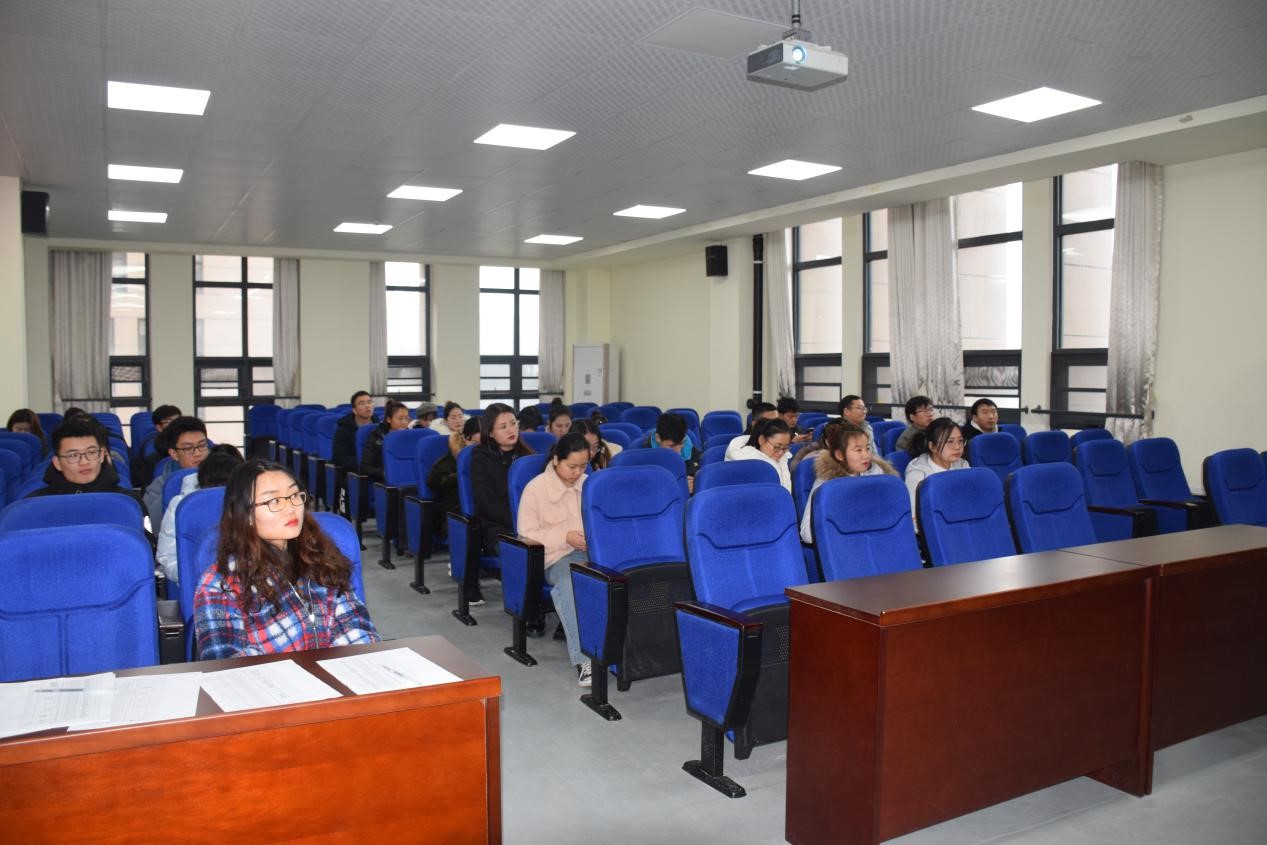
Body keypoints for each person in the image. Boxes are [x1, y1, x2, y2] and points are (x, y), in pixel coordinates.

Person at [193, 460, 380, 659]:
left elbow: (355, 624)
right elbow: (225, 663)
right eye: (274, 501)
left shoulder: (319, 555)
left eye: (294, 495)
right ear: (246, 515)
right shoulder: (220, 584)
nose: (291, 508)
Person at [516, 432, 593, 688]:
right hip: (555, 558)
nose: (578, 472)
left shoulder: (589, 484)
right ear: (557, 459)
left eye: (583, 466)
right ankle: (584, 660)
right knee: (571, 584)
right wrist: (565, 536)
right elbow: (527, 534)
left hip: (592, 554)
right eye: (572, 466)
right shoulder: (536, 489)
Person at [470, 403, 536, 605]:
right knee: (526, 560)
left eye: (513, 423)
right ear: (490, 432)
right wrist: (519, 521)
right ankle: (527, 609)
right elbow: (485, 503)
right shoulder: (480, 457)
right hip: (499, 526)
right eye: (503, 426)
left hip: (532, 524)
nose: (511, 430)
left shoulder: (528, 456)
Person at [156, 444, 244, 586]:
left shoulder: (248, 502)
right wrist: (196, 576)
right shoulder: (180, 505)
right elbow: (167, 557)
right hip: (194, 583)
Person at [800, 423, 896, 542]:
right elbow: (807, 532)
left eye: (867, 448)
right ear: (839, 455)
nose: (866, 455)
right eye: (858, 450)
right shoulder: (826, 484)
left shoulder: (877, 474)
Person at [27, 418, 139, 501]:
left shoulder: (128, 501)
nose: (84, 462)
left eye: (91, 453)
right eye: (73, 455)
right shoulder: (34, 504)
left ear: (101, 456)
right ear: (57, 463)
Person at [143, 416, 209, 529]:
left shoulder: (222, 476)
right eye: (188, 448)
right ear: (174, 454)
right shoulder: (160, 485)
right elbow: (149, 526)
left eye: (202, 445)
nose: (198, 453)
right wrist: (174, 487)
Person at [426, 417, 481, 540]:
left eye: (484, 444)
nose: (479, 449)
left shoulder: (492, 460)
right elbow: (435, 484)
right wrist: (463, 475)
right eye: (475, 443)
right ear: (464, 439)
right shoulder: (446, 463)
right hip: (452, 517)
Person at [904, 417, 970, 519]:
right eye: (950, 442)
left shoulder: (963, 465)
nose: (958, 447)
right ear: (932, 446)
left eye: (960, 441)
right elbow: (914, 516)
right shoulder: (918, 475)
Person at [727, 417, 793, 491]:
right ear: (761, 440)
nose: (781, 452)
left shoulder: (782, 460)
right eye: (777, 447)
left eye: (785, 448)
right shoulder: (745, 462)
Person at [640, 413, 700, 491]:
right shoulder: (643, 455)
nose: (678, 451)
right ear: (658, 438)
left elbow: (695, 473)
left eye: (681, 444)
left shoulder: (690, 448)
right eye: (672, 446)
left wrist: (694, 483)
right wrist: (678, 486)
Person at [359, 400, 410, 481]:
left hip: (408, 478)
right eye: (400, 419)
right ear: (389, 419)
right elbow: (365, 467)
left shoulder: (410, 437)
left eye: (406, 418)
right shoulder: (376, 436)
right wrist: (385, 473)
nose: (404, 422)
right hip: (384, 481)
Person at [138, 404, 182, 486]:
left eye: (178, 420)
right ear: (159, 427)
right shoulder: (152, 458)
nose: (176, 425)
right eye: (169, 422)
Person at [332, 391, 376, 471]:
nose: (367, 406)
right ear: (354, 410)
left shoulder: (379, 425)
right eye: (362, 403)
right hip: (354, 471)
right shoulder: (344, 428)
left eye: (369, 402)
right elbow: (338, 457)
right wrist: (363, 461)